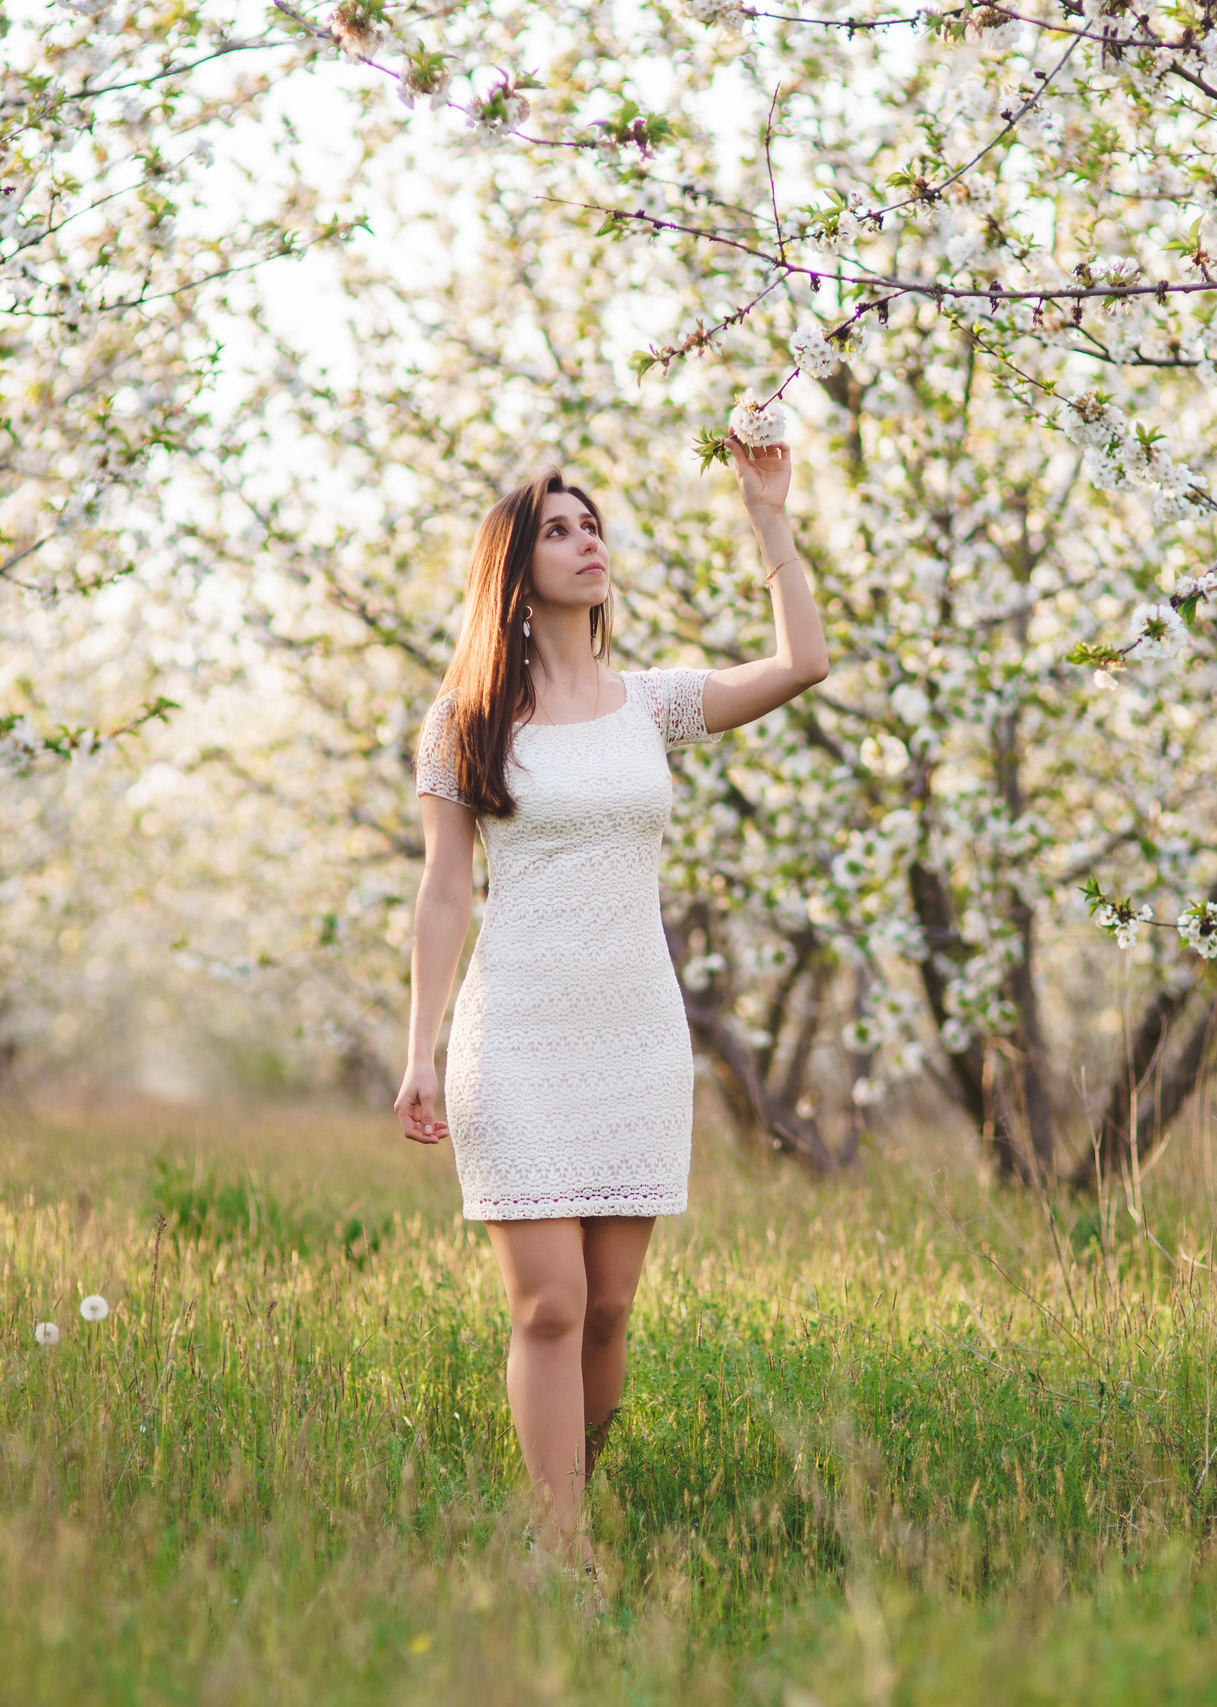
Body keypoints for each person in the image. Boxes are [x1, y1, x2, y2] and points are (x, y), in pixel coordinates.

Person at [393, 436, 829, 1574]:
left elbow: (803, 664)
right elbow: (444, 893)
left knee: (606, 1310)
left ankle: (571, 1496)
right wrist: (420, 1050)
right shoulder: (464, 720)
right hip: (515, 1032)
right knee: (547, 1305)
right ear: (515, 567)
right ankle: (563, 1552)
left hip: (634, 1030)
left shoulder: (654, 704)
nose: (587, 543)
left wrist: (767, 514)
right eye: (558, 530)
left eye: (592, 527)